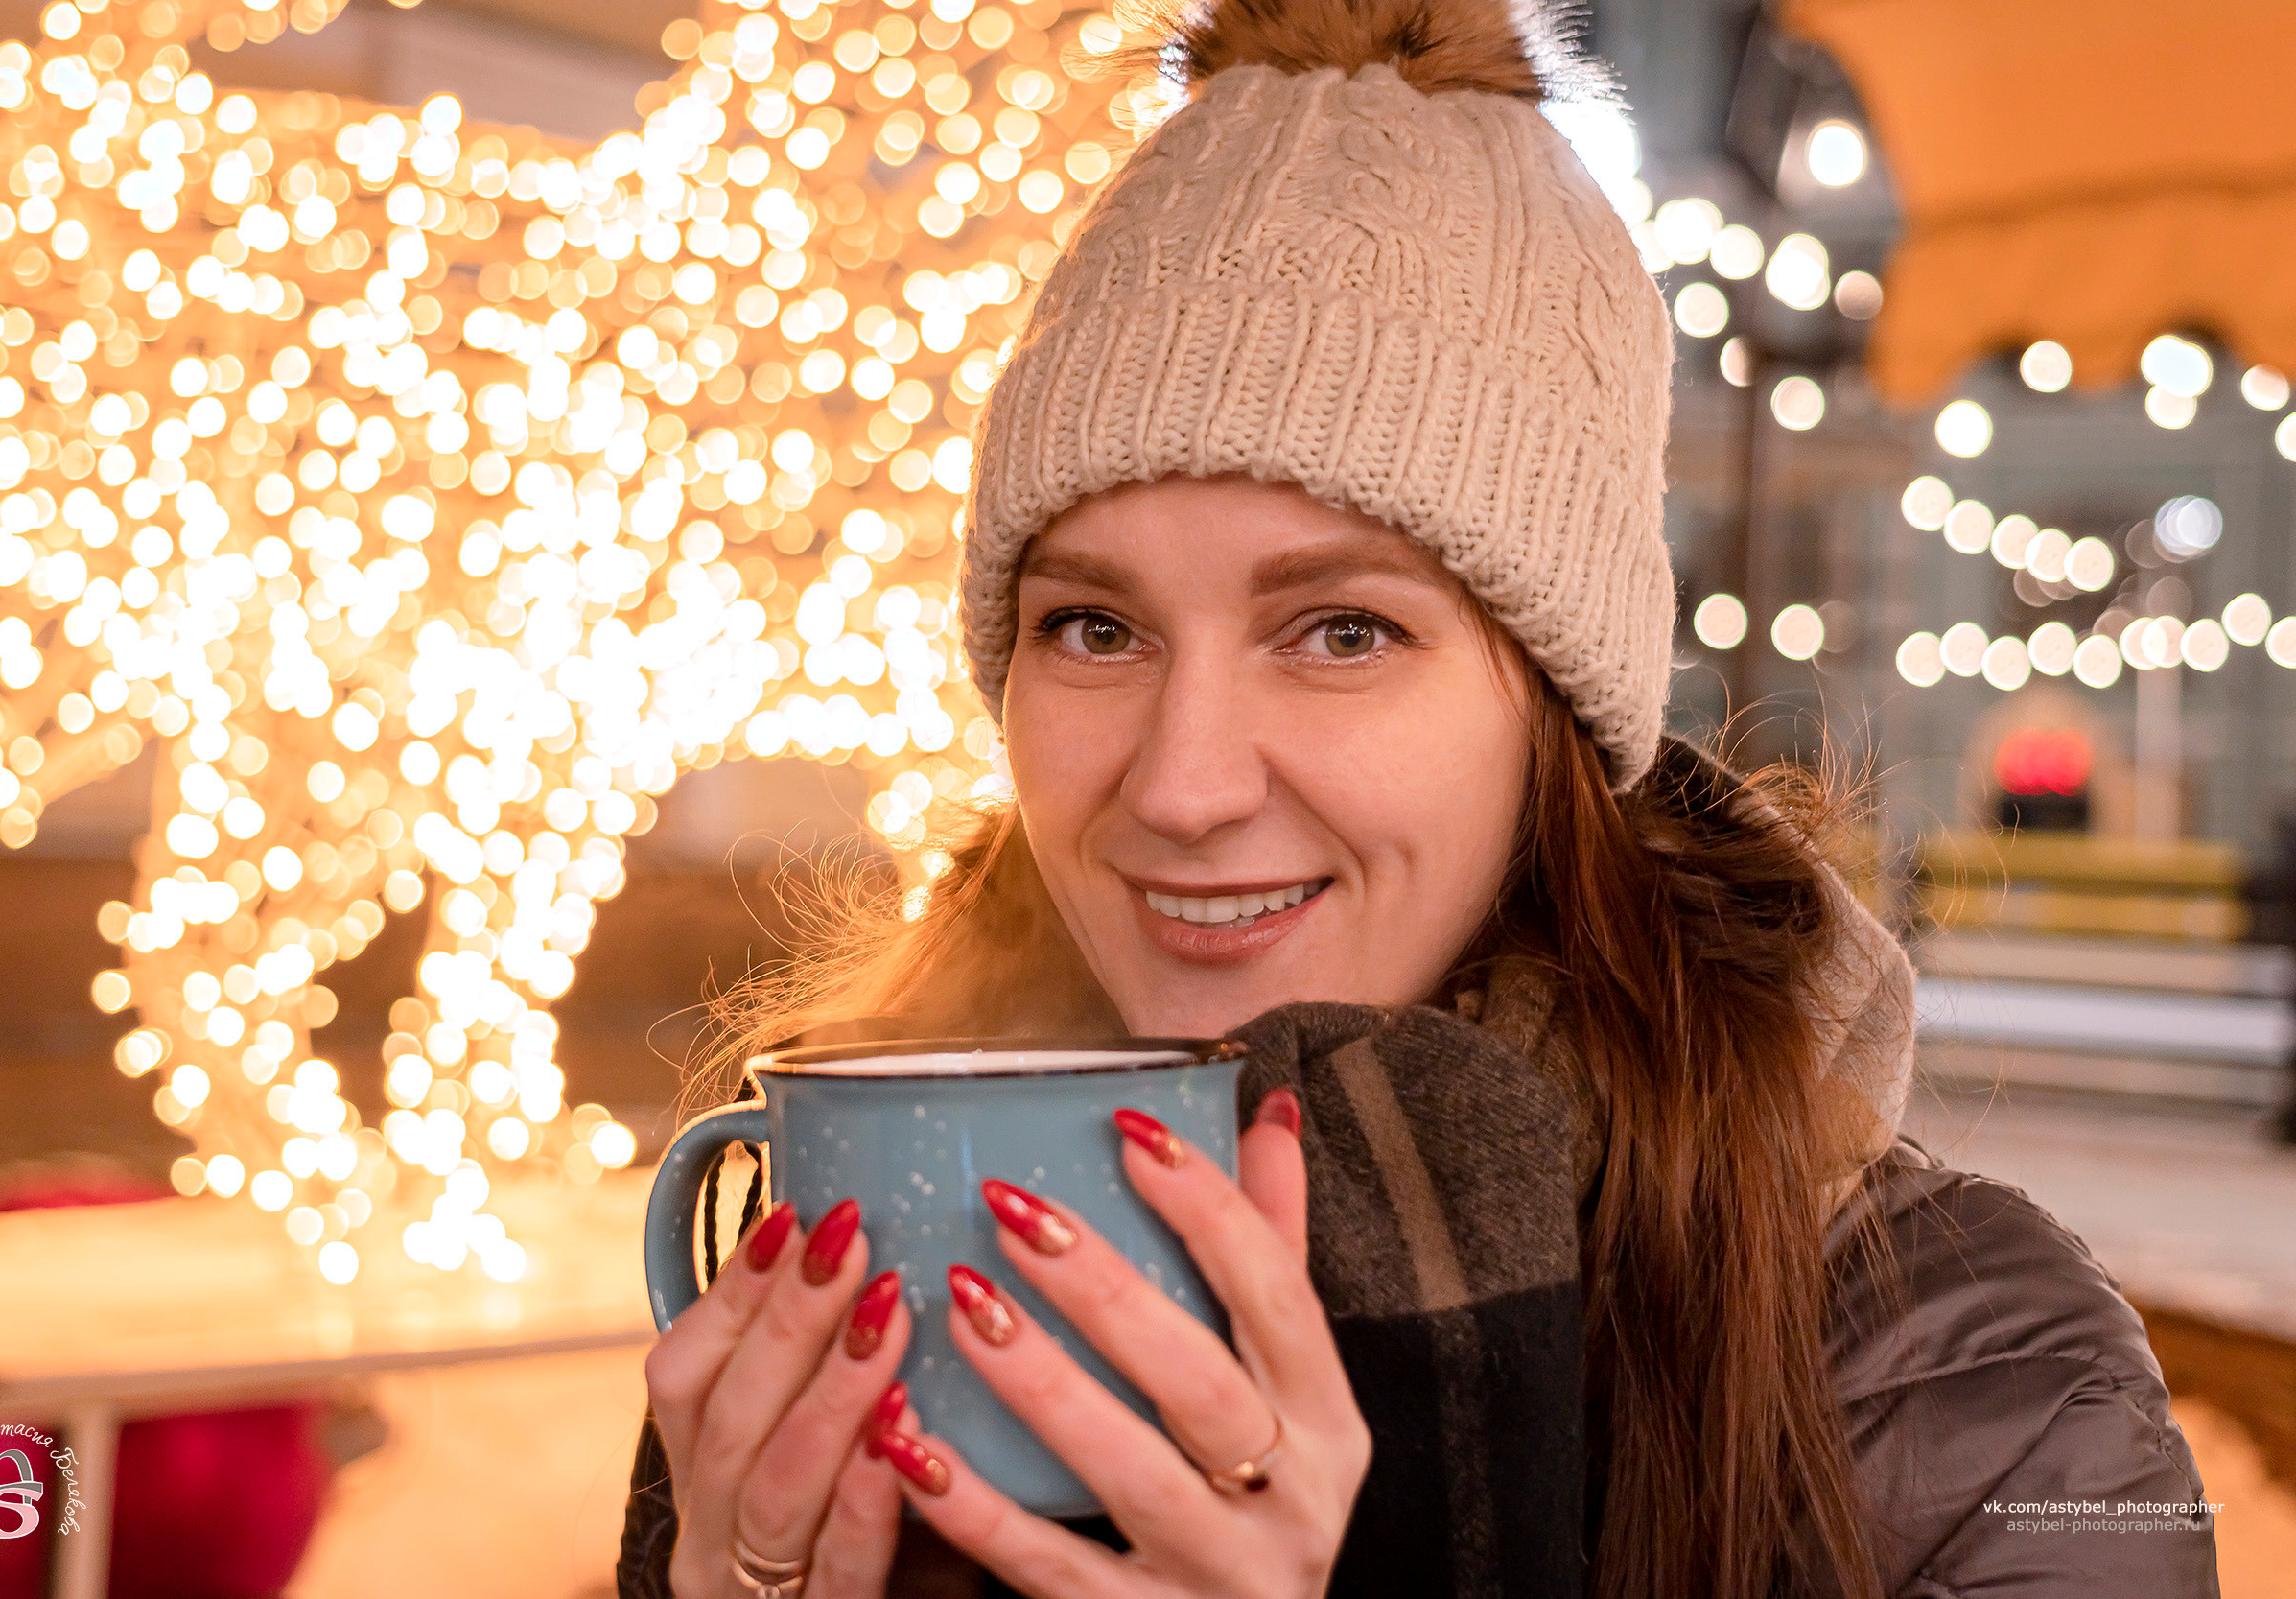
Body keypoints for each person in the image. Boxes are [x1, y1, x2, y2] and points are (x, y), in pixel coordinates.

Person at [620, 0, 2222, 1593]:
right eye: (1094, 629)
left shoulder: (1976, 1389)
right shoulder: (863, 1202)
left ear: (1554, 713)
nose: (1182, 786)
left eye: (1343, 631)